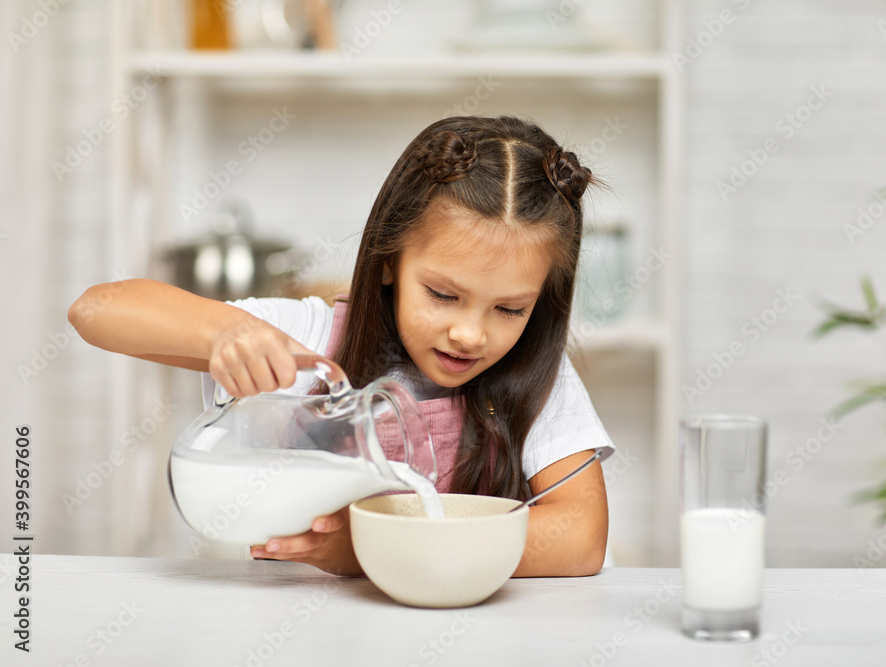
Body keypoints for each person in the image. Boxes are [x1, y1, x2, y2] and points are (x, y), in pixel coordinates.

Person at [69, 115, 615, 577]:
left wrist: (370, 549)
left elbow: (581, 537)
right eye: (443, 295)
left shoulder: (535, 376)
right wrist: (224, 332)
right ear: (388, 264)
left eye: (509, 309)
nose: (471, 334)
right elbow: (94, 311)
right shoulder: (306, 345)